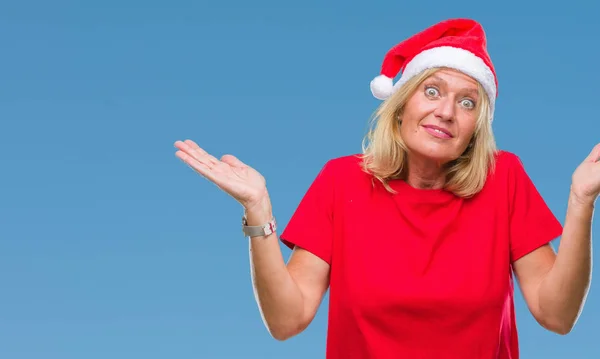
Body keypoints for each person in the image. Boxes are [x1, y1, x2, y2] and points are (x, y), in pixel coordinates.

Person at [174, 18, 598, 359]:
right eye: (432, 91)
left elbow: (556, 314)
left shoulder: (503, 177)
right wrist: (258, 210)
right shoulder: (341, 182)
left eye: (468, 102)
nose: (446, 112)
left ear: (476, 128)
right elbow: (288, 320)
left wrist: (581, 201)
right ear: (401, 106)